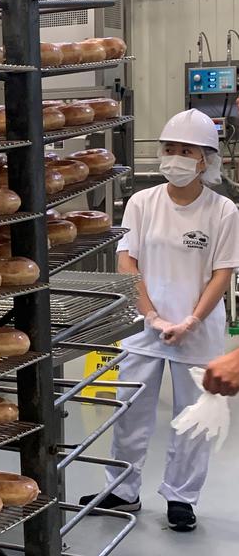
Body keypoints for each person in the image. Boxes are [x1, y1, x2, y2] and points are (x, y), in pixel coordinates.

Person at [79, 109, 239, 531]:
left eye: (186, 150)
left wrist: (189, 320)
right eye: (169, 149)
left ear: (205, 159)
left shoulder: (223, 211)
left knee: (194, 418)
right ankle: (122, 489)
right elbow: (127, 260)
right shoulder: (141, 202)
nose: (176, 158)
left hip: (198, 330)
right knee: (128, 410)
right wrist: (149, 314)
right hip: (142, 325)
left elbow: (223, 272)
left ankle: (181, 497)